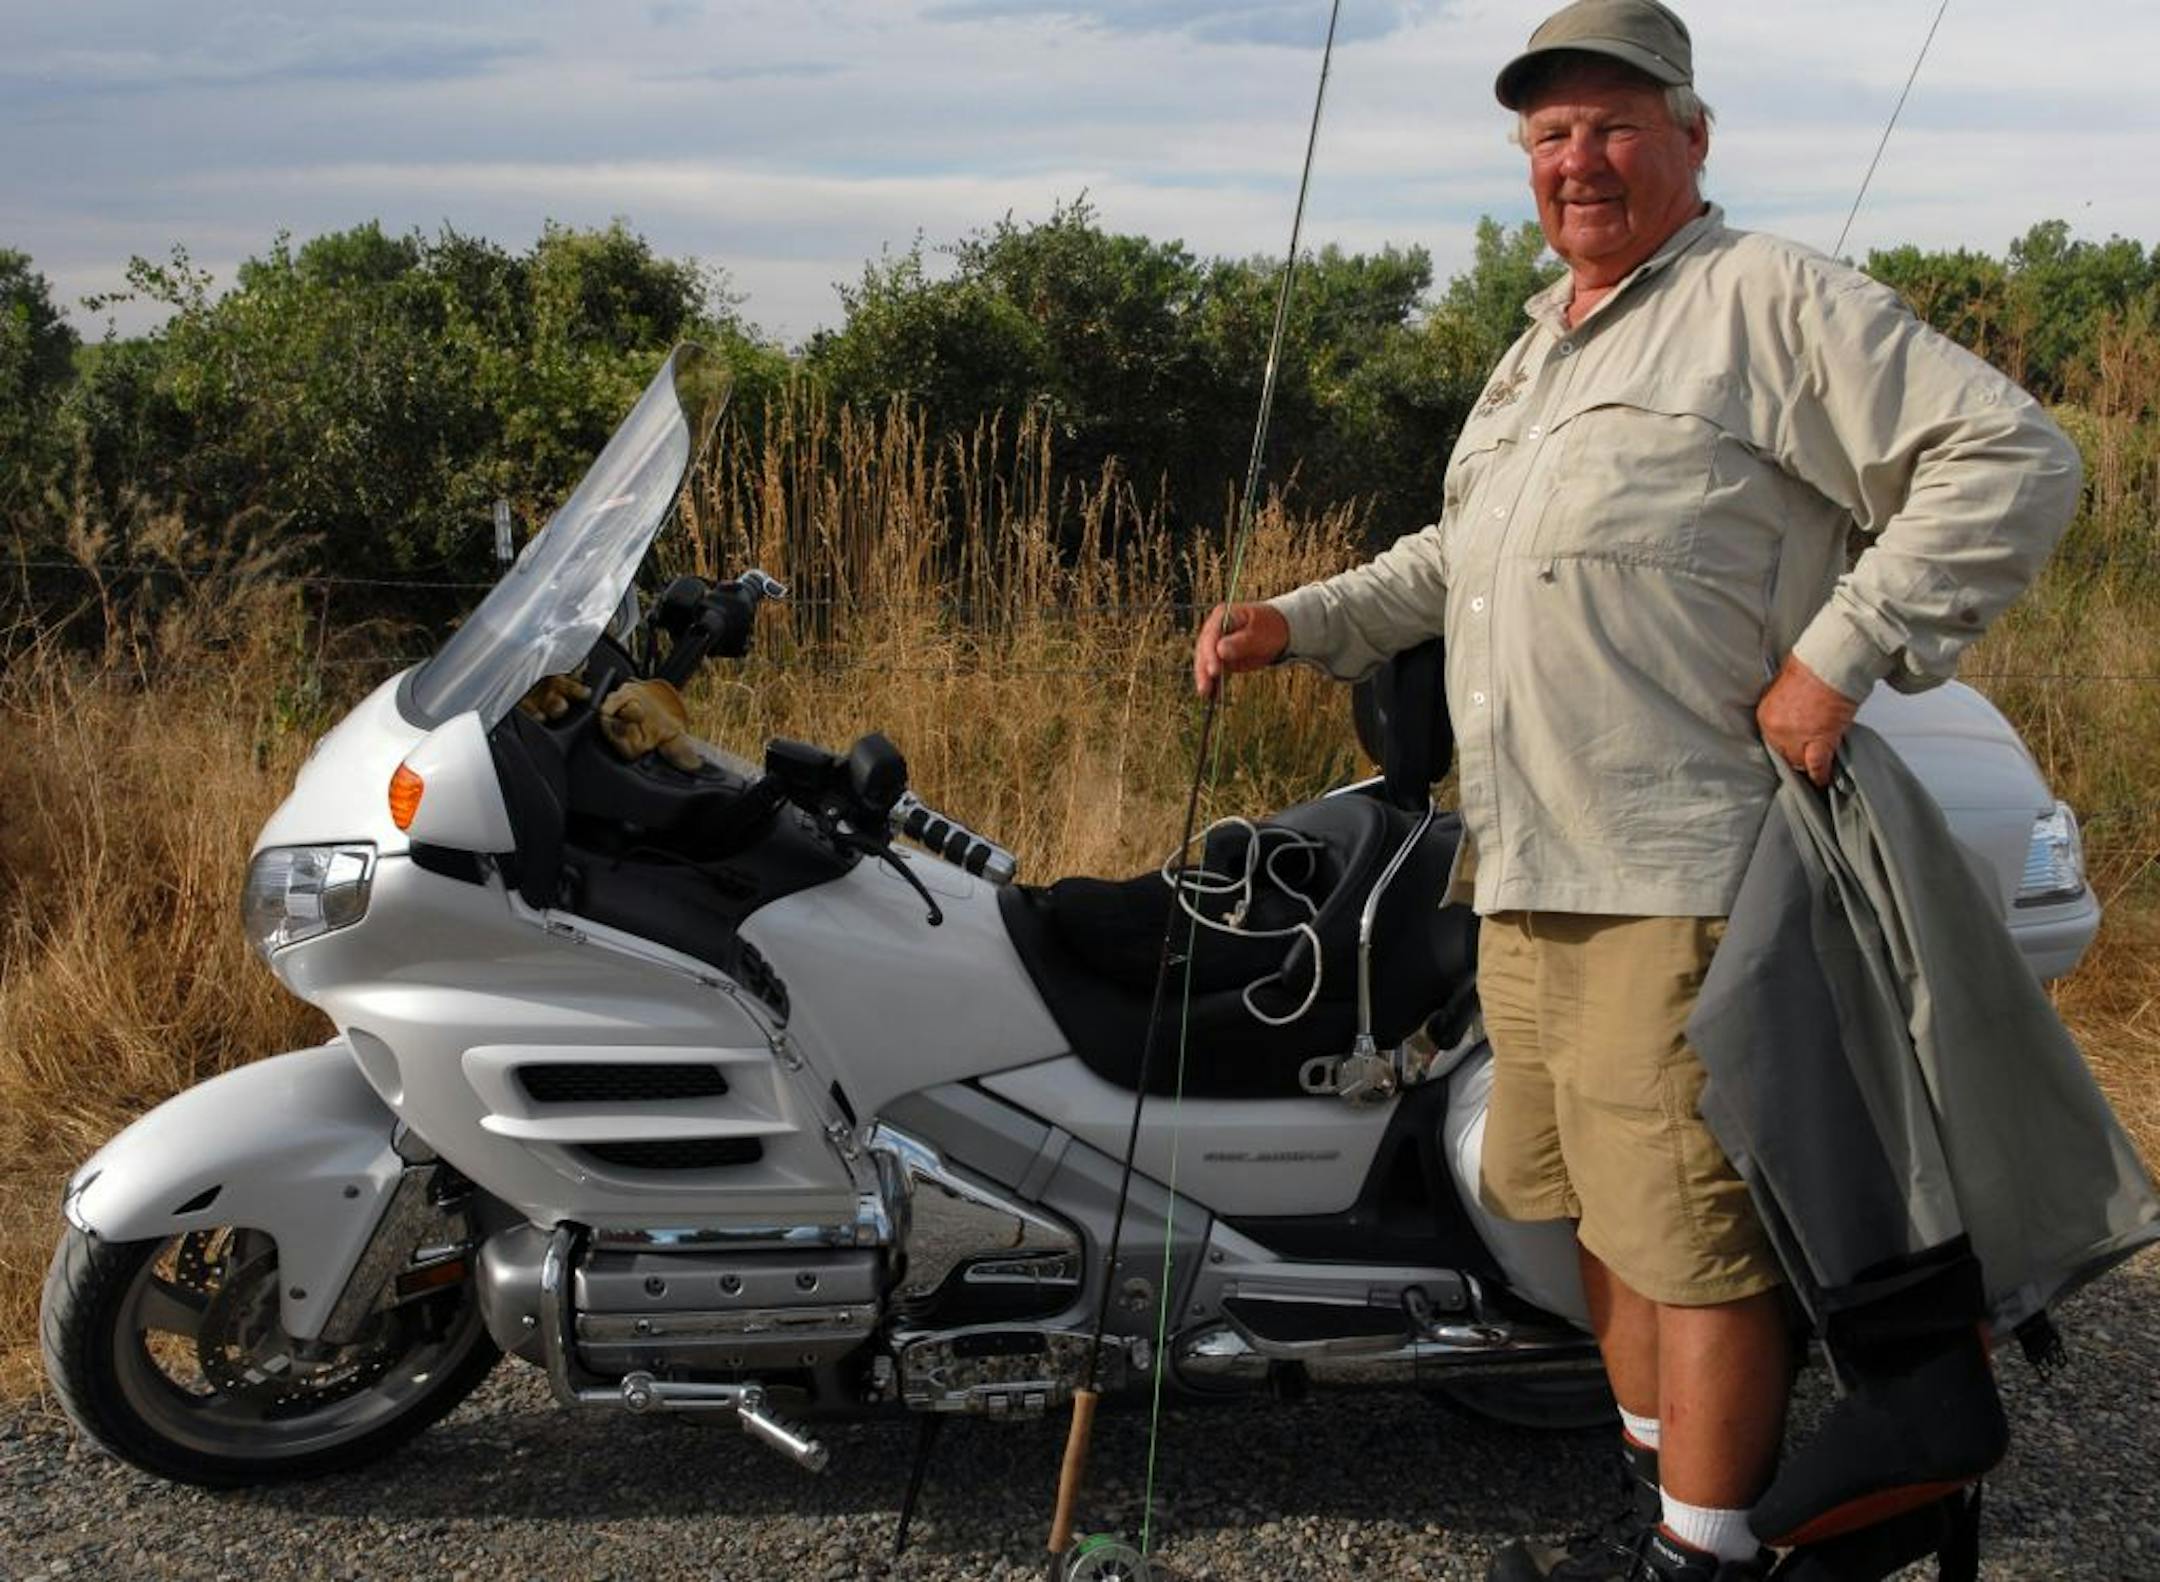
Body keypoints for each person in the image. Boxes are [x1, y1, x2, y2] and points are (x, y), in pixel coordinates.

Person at [1190, 2, 2081, 1577]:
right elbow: (1458, 554)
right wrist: (1301, 622)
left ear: (1693, 133)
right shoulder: (1540, 343)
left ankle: (1707, 1551)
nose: (1577, 161)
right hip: (1527, 863)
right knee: (1590, 1212)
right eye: (1548, 135)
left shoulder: (1764, 298)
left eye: (1612, 124)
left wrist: (1840, 656)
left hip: (1680, 870)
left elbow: (2010, 456)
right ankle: (1672, 1497)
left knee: (1693, 1234)